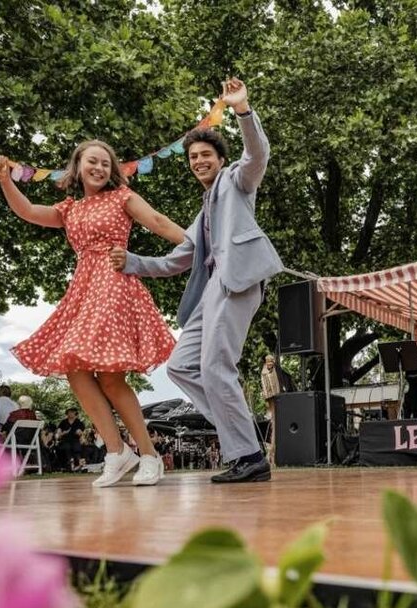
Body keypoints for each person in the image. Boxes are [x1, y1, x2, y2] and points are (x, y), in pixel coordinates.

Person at [110, 78, 284, 484]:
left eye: (206, 154)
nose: (198, 161)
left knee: (214, 366)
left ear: (220, 160)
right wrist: (131, 262)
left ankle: (249, 456)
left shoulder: (236, 183)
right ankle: (243, 444)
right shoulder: (203, 210)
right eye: (192, 157)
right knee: (183, 366)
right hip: (211, 293)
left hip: (237, 282)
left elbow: (257, 155)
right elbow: (176, 260)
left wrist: (242, 110)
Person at [0, 139, 185, 488]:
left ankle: (149, 456)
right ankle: (116, 451)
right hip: (83, 289)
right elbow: (29, 211)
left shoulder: (122, 197)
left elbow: (157, 220)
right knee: (74, 369)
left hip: (114, 281)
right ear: (77, 166)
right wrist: (7, 181)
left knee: (111, 377)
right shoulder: (70, 209)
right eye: (92, 162)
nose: (99, 168)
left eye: (105, 164)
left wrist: (198, 248)